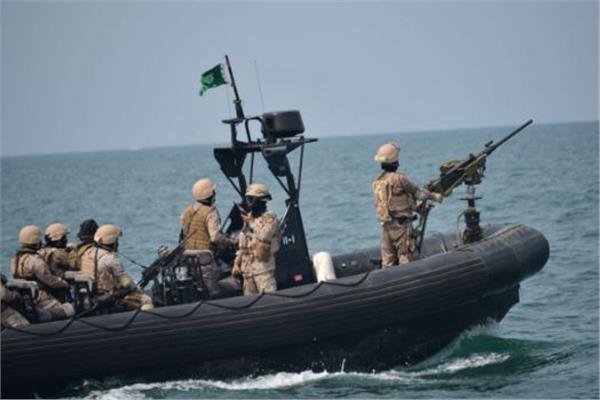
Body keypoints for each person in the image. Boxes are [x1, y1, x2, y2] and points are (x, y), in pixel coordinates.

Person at [372, 142, 443, 267]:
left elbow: (394, 201)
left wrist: (415, 206)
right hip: (401, 227)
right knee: (405, 259)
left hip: (386, 226)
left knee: (387, 262)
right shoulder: (399, 179)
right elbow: (419, 194)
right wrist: (435, 196)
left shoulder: (378, 181)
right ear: (395, 162)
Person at [79, 224, 153, 311]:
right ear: (113, 241)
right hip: (109, 298)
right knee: (146, 300)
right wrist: (136, 289)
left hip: (90, 297)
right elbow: (126, 283)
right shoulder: (110, 258)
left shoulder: (86, 253)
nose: (118, 243)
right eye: (117, 240)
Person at [9, 225, 75, 320]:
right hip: (41, 297)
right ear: (36, 241)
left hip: (25, 296)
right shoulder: (36, 261)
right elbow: (50, 280)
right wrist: (64, 283)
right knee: (69, 310)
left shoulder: (15, 260)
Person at [231, 183, 281, 295]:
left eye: (251, 199)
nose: (249, 203)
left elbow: (264, 235)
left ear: (260, 201)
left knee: (269, 299)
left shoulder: (270, 218)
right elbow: (242, 246)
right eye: (247, 199)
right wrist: (236, 263)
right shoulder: (249, 219)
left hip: (263, 271)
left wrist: (251, 223)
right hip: (248, 273)